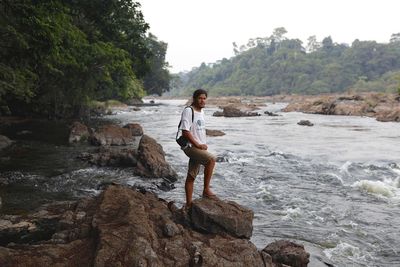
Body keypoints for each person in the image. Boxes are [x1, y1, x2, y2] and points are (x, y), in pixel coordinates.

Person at [178, 89, 217, 208]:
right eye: (200, 98)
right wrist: (198, 145)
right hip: (190, 147)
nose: (202, 100)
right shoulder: (188, 111)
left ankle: (189, 204)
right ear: (194, 98)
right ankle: (206, 190)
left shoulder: (201, 112)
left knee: (191, 175)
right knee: (211, 160)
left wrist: (202, 144)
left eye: (204, 98)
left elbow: (198, 131)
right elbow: (185, 132)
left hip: (199, 147)